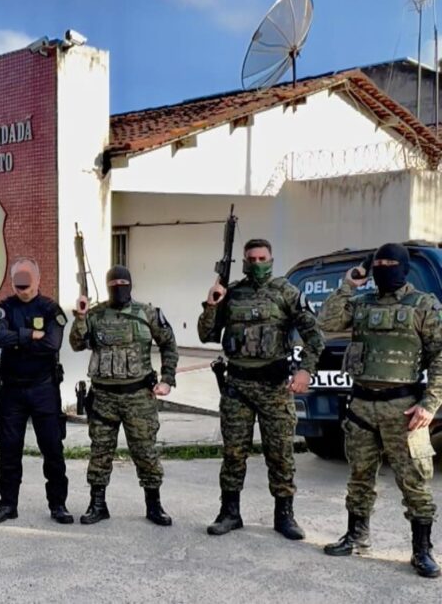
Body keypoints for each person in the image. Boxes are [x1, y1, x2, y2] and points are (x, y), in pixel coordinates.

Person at [318, 243, 442, 578]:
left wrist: (430, 403)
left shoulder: (424, 305)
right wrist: (349, 283)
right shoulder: (361, 303)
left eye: (391, 263)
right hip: (361, 405)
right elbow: (326, 321)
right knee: (359, 476)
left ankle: (422, 550)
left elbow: (441, 355)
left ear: (403, 267)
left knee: (414, 480)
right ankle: (356, 536)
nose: (384, 268)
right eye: (379, 263)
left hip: (404, 409)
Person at [198, 238, 323, 540]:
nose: (256, 263)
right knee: (233, 453)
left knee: (280, 453)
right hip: (237, 386)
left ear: (271, 259)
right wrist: (213, 303)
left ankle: (285, 516)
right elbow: (205, 334)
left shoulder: (287, 293)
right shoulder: (232, 294)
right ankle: (229, 513)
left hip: (274, 387)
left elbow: (315, 336)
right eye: (250, 258)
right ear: (243, 261)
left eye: (261, 258)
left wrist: (306, 370)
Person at [69, 265, 177, 526]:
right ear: (107, 287)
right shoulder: (94, 315)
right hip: (104, 397)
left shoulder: (147, 313)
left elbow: (168, 343)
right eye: (114, 283)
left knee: (145, 452)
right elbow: (75, 343)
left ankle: (154, 505)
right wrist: (81, 316)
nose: (119, 287)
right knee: (100, 452)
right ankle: (97, 504)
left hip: (138, 396)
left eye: (123, 282)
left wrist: (167, 379)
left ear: (131, 284)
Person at [0, 259, 72, 524]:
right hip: (12, 390)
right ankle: (7, 504)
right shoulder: (4, 308)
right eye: (17, 280)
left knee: (52, 450)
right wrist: (29, 335)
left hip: (43, 389)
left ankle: (58, 505)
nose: (21, 286)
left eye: (26, 280)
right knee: (9, 450)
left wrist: (18, 340)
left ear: (37, 279)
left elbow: (52, 343)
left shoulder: (50, 309)